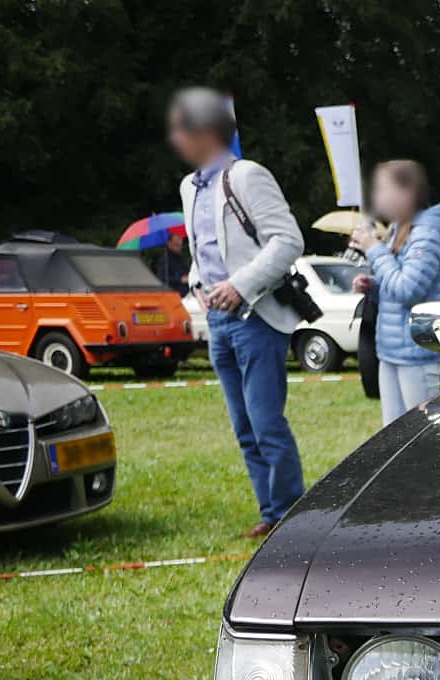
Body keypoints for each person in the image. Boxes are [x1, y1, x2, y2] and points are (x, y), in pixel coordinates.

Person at [168, 86, 306, 538]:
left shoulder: (247, 175)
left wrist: (239, 285)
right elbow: (203, 249)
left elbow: (288, 241)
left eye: (182, 129)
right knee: (244, 428)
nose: (176, 139)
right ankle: (271, 514)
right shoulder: (188, 186)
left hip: (257, 318)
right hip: (219, 320)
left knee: (266, 424)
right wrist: (197, 283)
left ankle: (288, 516)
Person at [351, 161, 440, 425]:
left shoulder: (426, 236)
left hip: (415, 355)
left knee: (417, 433)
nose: (376, 197)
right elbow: (395, 286)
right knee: (393, 432)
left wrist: (374, 249)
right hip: (391, 352)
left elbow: (408, 291)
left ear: (407, 193)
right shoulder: (398, 230)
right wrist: (373, 286)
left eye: (382, 189)